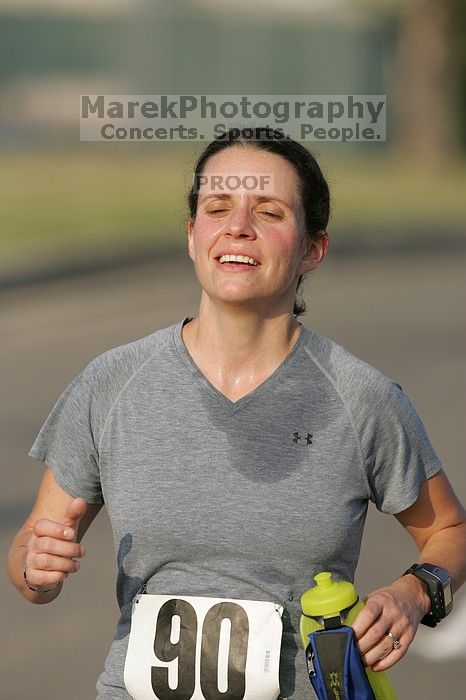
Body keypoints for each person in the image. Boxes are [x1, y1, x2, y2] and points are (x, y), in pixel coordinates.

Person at [7, 127, 466, 700]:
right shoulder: (112, 384)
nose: (237, 226)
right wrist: (35, 565)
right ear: (192, 235)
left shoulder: (361, 397)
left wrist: (414, 591)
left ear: (313, 248)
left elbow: (449, 530)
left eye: (269, 212)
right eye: (216, 207)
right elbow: (32, 554)